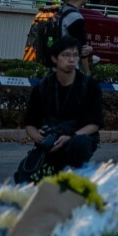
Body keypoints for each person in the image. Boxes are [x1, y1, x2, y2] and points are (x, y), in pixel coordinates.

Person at [14, 38, 103, 182]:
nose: (71, 60)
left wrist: (71, 136)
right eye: (66, 55)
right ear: (54, 58)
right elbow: (30, 124)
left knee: (79, 144)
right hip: (51, 140)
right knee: (24, 178)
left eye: (75, 55)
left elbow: (94, 124)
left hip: (78, 138)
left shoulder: (89, 85)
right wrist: (38, 137)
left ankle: (75, 176)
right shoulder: (42, 87)